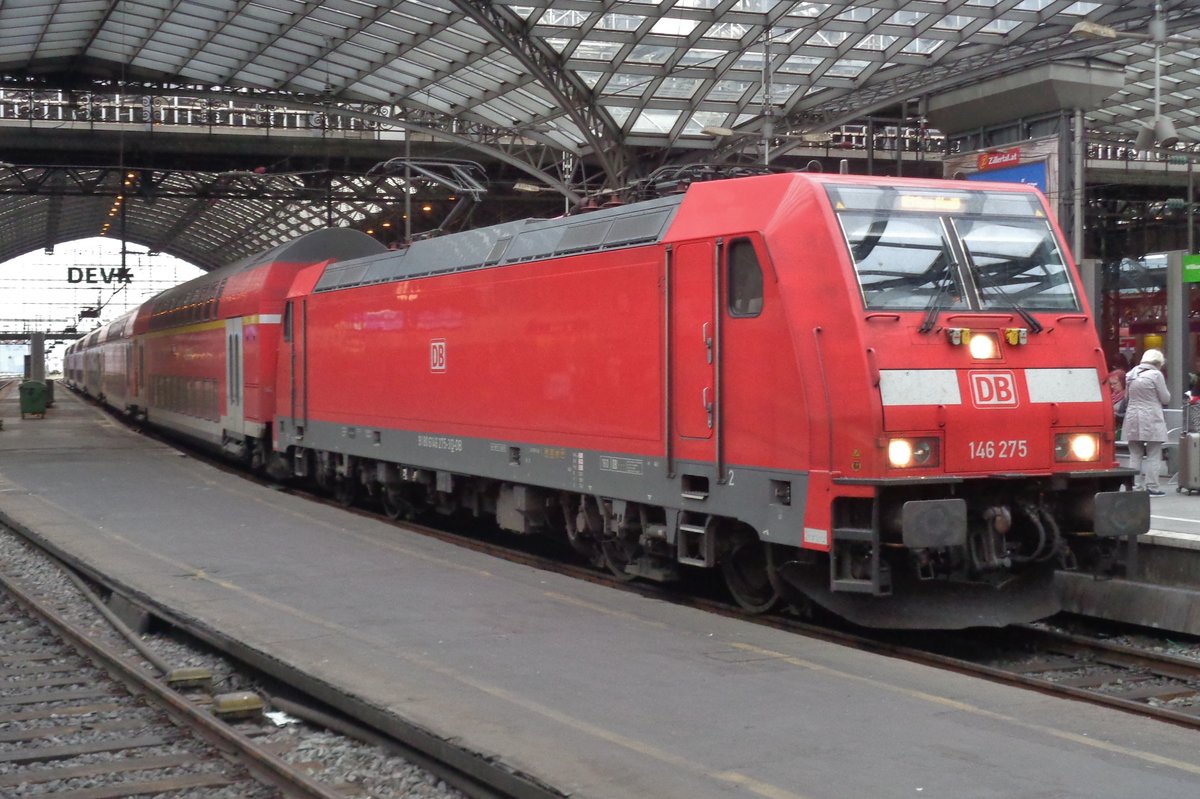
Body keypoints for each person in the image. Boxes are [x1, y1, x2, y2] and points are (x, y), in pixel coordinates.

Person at [1124, 349, 1170, 495]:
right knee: (1153, 453)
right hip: (1151, 417)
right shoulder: (1156, 375)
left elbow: (1126, 398)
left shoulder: (1130, 374)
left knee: (1135, 454)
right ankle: (1152, 487)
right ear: (1158, 362)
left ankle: (1136, 486)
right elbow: (1165, 398)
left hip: (1132, 417)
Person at [1107, 367, 1127, 437]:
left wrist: (1115, 415)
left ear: (1123, 382)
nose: (1112, 386)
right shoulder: (1110, 396)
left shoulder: (1127, 397)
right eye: (1111, 384)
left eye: (1115, 383)